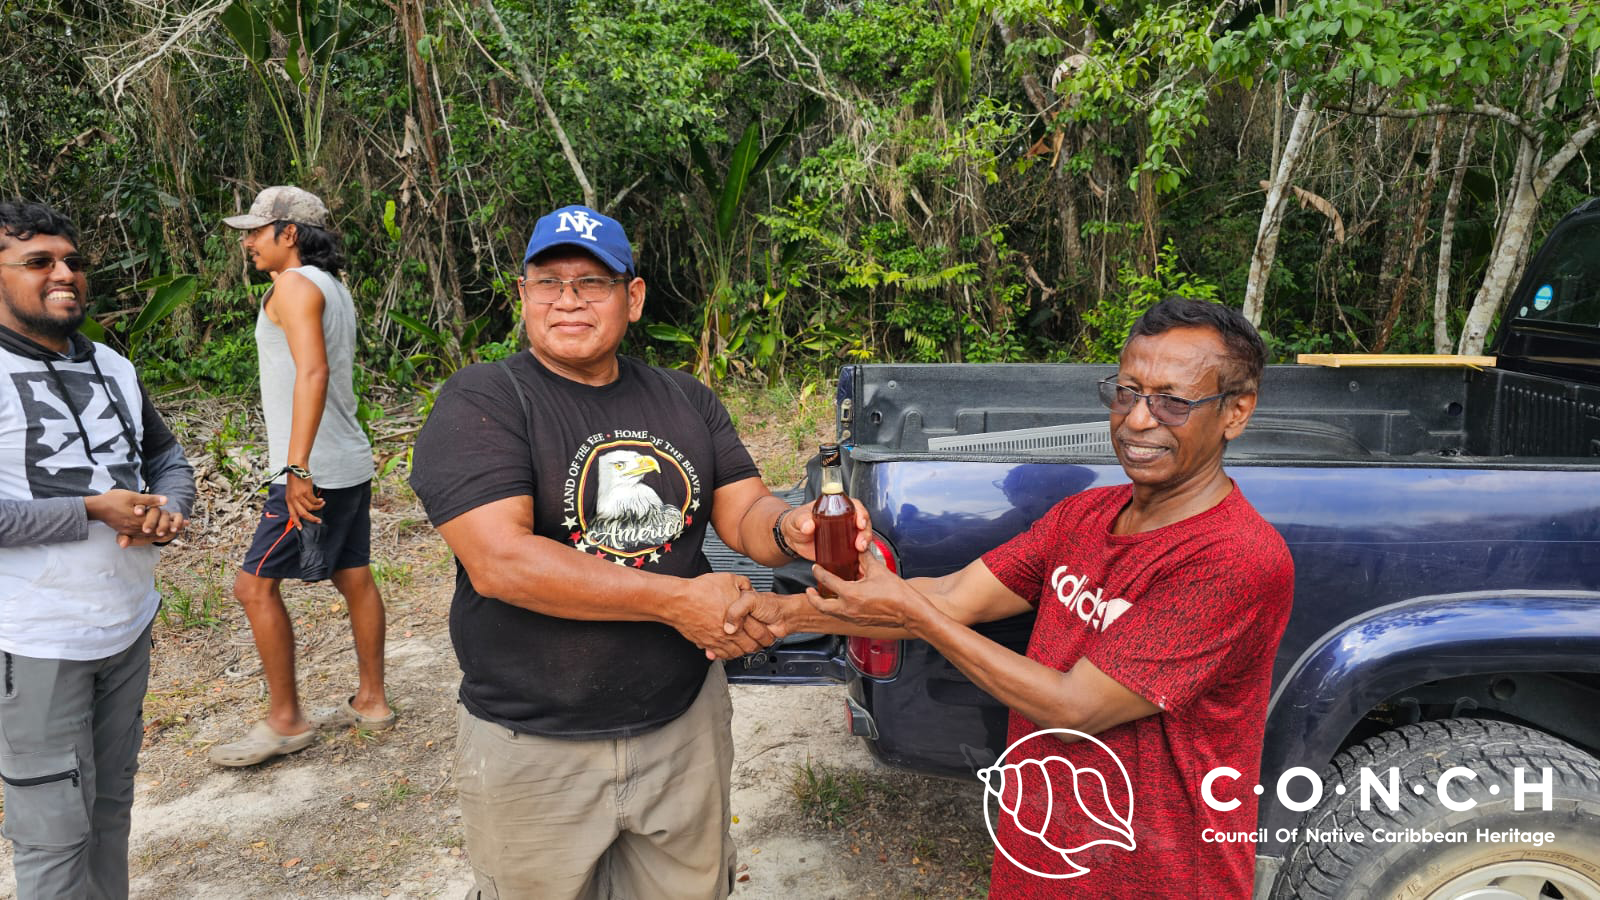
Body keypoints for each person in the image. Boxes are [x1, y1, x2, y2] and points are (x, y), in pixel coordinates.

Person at [735, 296, 1294, 898]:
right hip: (1039, 858)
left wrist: (913, 614)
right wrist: (782, 614)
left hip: (1157, 879)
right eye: (1128, 391)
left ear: (1236, 412)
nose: (1136, 419)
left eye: (1173, 401)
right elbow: (952, 596)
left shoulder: (1235, 559)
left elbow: (1074, 707)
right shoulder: (1085, 516)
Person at [407, 204, 866, 900]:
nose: (568, 299)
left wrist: (790, 528)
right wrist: (680, 603)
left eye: (592, 282)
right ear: (523, 296)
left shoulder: (684, 398)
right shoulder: (485, 399)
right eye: (549, 281)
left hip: (682, 725)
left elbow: (742, 508)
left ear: (633, 297)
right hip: (535, 741)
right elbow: (500, 562)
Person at [0, 201, 194, 898]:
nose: (65, 275)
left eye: (73, 261)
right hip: (35, 640)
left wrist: (171, 507)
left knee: (111, 812)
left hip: (125, 625)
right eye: (39, 262)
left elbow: (166, 455)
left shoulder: (112, 363)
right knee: (53, 836)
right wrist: (88, 509)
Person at [211, 186, 393, 767]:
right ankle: (371, 701)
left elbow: (312, 373)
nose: (247, 243)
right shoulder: (332, 287)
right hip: (345, 459)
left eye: (256, 232)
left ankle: (286, 721)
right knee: (354, 576)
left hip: (313, 467)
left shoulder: (292, 285)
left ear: (288, 233)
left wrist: (294, 468)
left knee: (253, 586)